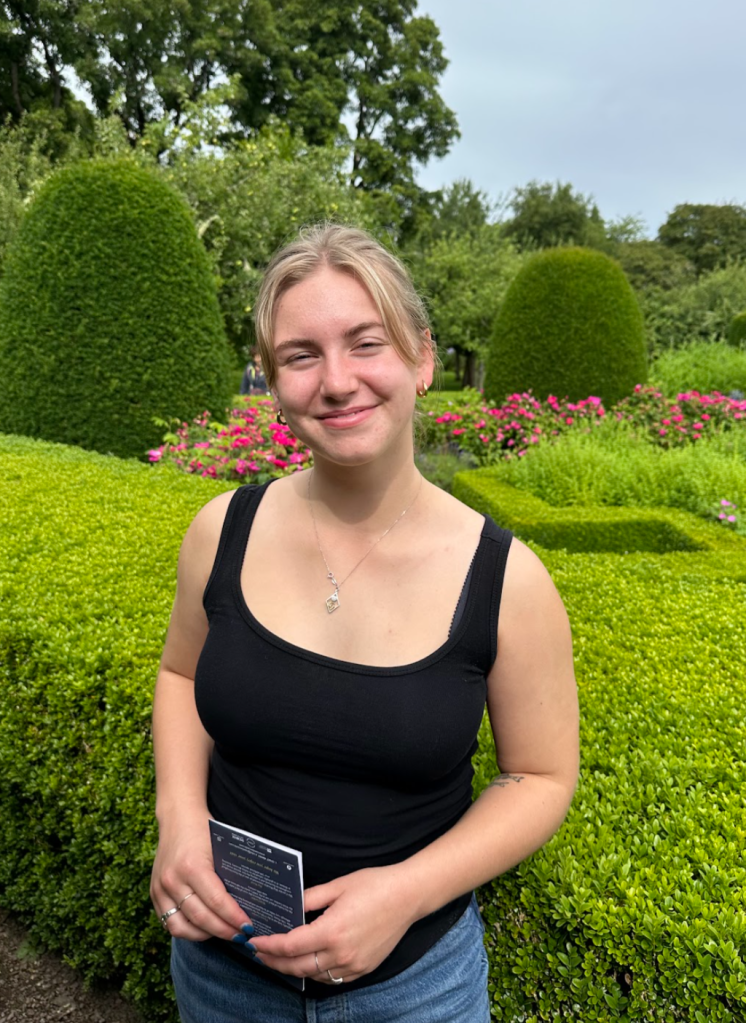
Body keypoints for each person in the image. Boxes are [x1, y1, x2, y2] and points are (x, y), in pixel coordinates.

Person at [150, 224, 579, 1023]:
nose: (337, 381)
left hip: (415, 991)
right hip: (220, 973)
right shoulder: (221, 530)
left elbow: (541, 777)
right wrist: (178, 819)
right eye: (300, 355)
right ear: (272, 379)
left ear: (422, 358)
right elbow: (180, 674)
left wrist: (406, 892)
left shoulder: (507, 579)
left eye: (366, 343)